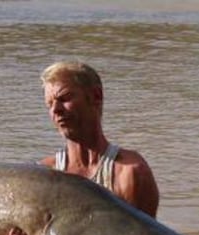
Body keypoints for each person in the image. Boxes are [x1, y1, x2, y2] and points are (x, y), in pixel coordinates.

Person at [39, 61, 159, 217]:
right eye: (49, 104)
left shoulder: (130, 172)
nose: (56, 110)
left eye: (64, 98)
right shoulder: (44, 175)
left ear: (96, 96)